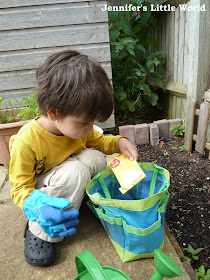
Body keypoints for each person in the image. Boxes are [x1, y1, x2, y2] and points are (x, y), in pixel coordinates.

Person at [9, 50, 138, 267]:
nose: (90, 129)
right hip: (44, 193)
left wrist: (119, 142)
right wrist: (37, 208)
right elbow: (19, 188)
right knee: (76, 171)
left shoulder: (77, 128)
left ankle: (77, 200)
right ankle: (40, 231)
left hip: (66, 177)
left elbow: (99, 141)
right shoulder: (27, 141)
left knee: (96, 158)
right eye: (84, 123)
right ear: (53, 112)